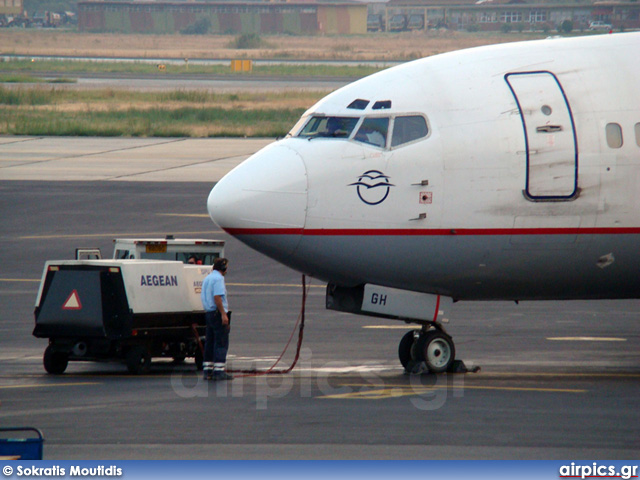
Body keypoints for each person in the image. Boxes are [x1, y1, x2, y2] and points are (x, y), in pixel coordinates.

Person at [200, 257, 233, 381]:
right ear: (223, 268)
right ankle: (219, 371)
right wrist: (223, 314)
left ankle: (207, 370)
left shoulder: (207, 278)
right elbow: (217, 297)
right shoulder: (219, 279)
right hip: (217, 314)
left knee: (210, 342)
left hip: (208, 313)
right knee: (221, 342)